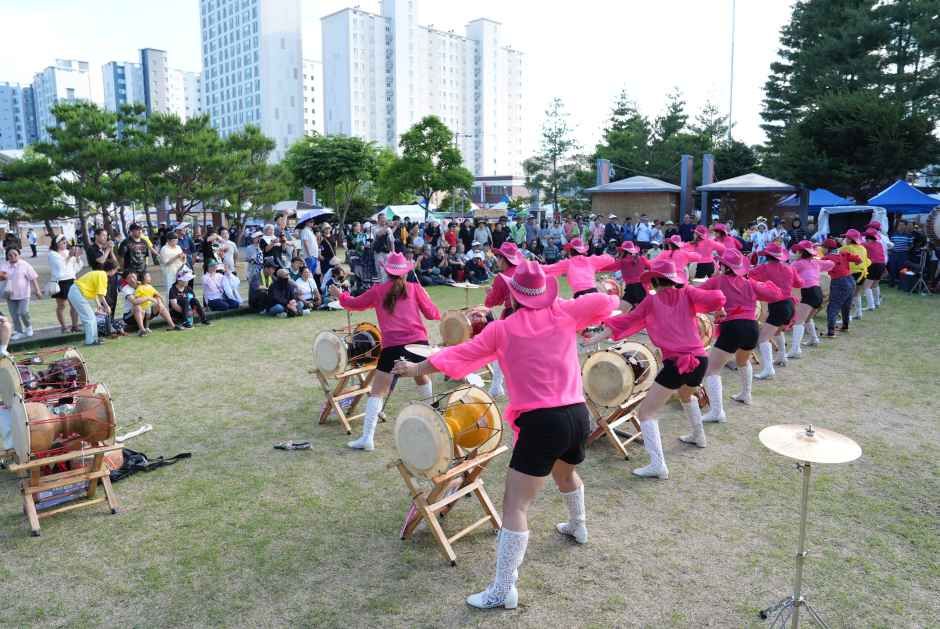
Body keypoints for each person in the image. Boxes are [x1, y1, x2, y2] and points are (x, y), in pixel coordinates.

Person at [392, 261, 618, 610]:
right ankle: (578, 525)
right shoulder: (564, 312)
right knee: (566, 472)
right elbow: (605, 303)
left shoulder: (504, 329)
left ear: (512, 295)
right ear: (543, 292)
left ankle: (503, 590)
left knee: (515, 506)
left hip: (543, 422)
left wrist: (415, 368)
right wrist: (585, 282)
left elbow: (455, 355)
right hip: (576, 415)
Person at [586, 258, 726, 479]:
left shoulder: (652, 302)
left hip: (677, 364)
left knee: (646, 412)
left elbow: (628, 320)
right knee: (686, 395)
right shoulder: (688, 293)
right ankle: (699, 436)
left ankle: (658, 465)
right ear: (673, 280)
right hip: (700, 360)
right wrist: (719, 310)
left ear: (654, 281)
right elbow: (717, 297)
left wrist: (598, 336)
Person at [330, 251, 441, 452]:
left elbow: (354, 304)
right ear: (405, 272)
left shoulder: (378, 290)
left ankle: (367, 438)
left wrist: (340, 296)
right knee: (422, 379)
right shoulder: (414, 288)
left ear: (386, 272)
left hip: (392, 347)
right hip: (418, 345)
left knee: (377, 393)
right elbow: (434, 315)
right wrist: (427, 297)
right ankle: (433, 424)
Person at [697, 249, 784, 423]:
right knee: (743, 361)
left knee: (712, 370)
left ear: (722, 265)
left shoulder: (718, 280)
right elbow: (775, 294)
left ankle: (717, 412)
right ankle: (746, 394)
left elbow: (695, 294)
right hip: (752, 327)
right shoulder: (749, 282)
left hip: (733, 326)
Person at [748, 242, 803, 374]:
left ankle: (768, 369)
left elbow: (747, 275)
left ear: (766, 255)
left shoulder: (765, 268)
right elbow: (800, 282)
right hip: (789, 305)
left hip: (778, 306)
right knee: (778, 332)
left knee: (763, 338)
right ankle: (782, 357)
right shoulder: (789, 268)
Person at [785, 240, 836, 364]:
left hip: (808, 292)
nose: (795, 252)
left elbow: (786, 273)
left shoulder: (798, 264)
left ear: (801, 252)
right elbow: (831, 264)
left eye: (797, 251)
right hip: (818, 292)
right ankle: (814, 339)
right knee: (807, 318)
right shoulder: (815, 262)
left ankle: (795, 350)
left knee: (798, 321)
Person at [542, 238, 614, 298]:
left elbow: (548, 269)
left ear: (570, 251)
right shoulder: (591, 260)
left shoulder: (568, 263)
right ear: (582, 251)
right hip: (593, 293)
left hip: (580, 295)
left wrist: (533, 265)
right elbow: (610, 259)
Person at [69, 260, 119, 345]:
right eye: (116, 270)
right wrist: (106, 306)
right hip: (77, 292)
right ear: (112, 269)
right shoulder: (103, 276)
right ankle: (90, 341)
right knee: (89, 318)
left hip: (75, 292)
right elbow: (100, 294)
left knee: (90, 317)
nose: (116, 272)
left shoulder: (99, 273)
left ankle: (94, 339)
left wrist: (99, 305)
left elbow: (95, 291)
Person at [820, 238, 861, 336]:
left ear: (827, 248)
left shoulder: (828, 257)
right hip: (851, 280)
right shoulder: (842, 253)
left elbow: (819, 266)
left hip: (839, 282)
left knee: (833, 307)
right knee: (846, 306)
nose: (822, 249)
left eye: (823, 247)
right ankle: (845, 327)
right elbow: (858, 260)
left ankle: (830, 332)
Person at [0, 248, 42, 340]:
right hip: (10, 295)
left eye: (15, 254)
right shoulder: (4, 266)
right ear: (7, 256)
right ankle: (19, 331)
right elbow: (1, 277)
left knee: (23, 312)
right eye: (10, 255)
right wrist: (3, 277)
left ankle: (28, 327)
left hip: (24, 294)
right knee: (14, 314)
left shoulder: (24, 265)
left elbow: (33, 278)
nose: (13, 257)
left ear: (19, 255)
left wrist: (37, 290)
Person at [48, 235, 83, 333]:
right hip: (60, 281)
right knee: (62, 306)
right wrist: (70, 256)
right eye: (61, 241)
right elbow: (60, 267)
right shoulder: (52, 254)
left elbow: (76, 268)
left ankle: (75, 326)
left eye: (65, 241)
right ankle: (64, 327)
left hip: (71, 280)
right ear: (56, 243)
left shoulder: (68, 252)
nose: (64, 243)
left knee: (74, 304)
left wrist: (78, 258)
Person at [604, 240, 650, 310]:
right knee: (643, 310)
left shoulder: (623, 262)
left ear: (623, 251)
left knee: (623, 310)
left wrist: (596, 268)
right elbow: (650, 267)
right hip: (642, 287)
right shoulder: (642, 259)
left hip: (631, 288)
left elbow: (609, 267)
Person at [86, 227, 120, 314]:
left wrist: (111, 251)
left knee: (113, 301)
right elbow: (101, 260)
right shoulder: (92, 249)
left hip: (112, 278)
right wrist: (108, 249)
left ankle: (111, 323)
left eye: (106, 235)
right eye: (103, 235)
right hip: (101, 279)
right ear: (96, 236)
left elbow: (115, 262)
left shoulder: (106, 249)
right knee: (105, 303)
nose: (105, 237)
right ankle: (105, 324)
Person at [840, 229, 870, 320]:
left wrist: (840, 244)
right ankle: (858, 313)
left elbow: (836, 253)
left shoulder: (846, 248)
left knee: (846, 296)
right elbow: (868, 261)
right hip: (863, 273)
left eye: (846, 237)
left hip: (852, 273)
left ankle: (846, 317)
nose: (845, 239)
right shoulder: (863, 248)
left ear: (849, 239)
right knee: (856, 294)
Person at [861, 228, 887, 311]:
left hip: (874, 265)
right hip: (882, 265)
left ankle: (870, 305)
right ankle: (877, 303)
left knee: (866, 286)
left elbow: (857, 245)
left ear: (868, 238)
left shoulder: (866, 244)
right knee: (875, 285)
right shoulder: (879, 244)